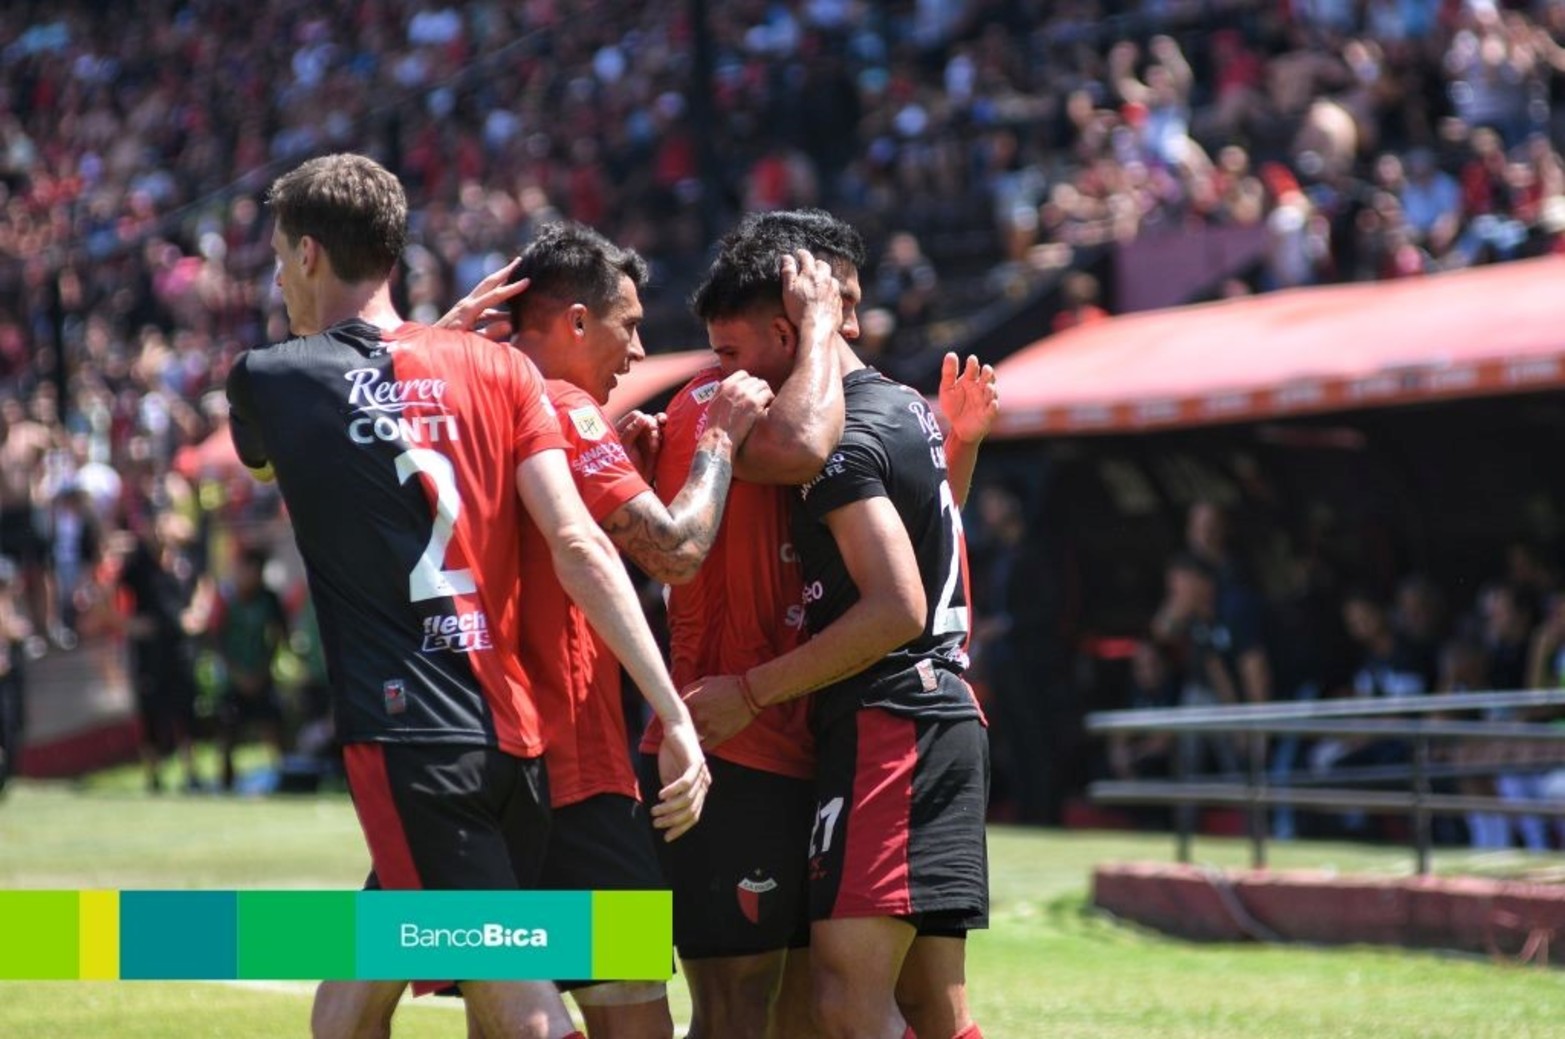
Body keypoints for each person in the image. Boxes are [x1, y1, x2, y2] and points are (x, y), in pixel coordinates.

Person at [225, 154, 709, 1039]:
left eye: (274, 260)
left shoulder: (273, 375)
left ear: (304, 255)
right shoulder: (509, 376)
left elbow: (268, 455)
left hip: (414, 738)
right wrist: (672, 712)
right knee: (359, 1001)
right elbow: (578, 545)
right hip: (520, 740)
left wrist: (418, 348)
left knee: (519, 1011)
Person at [437, 220, 783, 1037]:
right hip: (575, 776)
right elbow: (677, 551)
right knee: (632, 1019)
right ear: (577, 322)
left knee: (470, 1002)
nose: (636, 354)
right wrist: (719, 443)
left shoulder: (455, 408)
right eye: (627, 326)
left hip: (468, 768)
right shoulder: (557, 404)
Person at [682, 223, 998, 1039]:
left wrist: (749, 691)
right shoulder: (906, 408)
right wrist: (959, 447)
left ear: (789, 329)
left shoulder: (837, 435)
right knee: (932, 1007)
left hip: (890, 720)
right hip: (937, 716)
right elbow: (932, 542)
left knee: (840, 1004)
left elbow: (896, 604)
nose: (721, 375)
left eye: (729, 352)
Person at [117, 511, 210, 793]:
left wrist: (198, 613)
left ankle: (191, 771)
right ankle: (154, 774)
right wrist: (128, 625)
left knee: (186, 709)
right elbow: (106, 597)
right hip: (150, 650)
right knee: (152, 712)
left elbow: (204, 585)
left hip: (181, 646)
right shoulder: (137, 565)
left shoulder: (184, 560)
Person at [210, 544, 289, 792]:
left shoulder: (269, 599)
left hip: (261, 676)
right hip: (234, 677)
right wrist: (236, 673)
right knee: (228, 729)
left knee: (272, 724)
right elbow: (216, 640)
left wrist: (262, 671)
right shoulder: (226, 599)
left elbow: (278, 637)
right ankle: (226, 780)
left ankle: (281, 774)